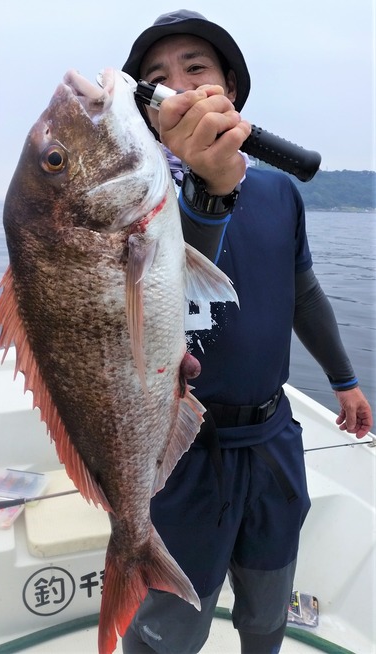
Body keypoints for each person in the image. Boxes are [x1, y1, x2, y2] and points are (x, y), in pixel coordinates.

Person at [121, 10, 373, 654]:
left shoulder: (279, 193)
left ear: (229, 89)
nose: (178, 85)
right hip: (179, 454)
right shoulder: (130, 208)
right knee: (170, 628)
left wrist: (344, 380)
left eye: (196, 68)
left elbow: (304, 291)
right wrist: (209, 195)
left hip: (272, 441)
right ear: (147, 114)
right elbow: (171, 291)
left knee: (267, 611)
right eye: (157, 79)